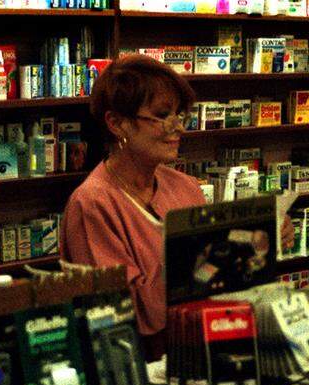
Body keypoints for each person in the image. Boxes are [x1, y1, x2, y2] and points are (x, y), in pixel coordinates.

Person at [61, 54, 205, 358]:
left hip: (201, 352)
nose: (178, 128)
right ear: (117, 123)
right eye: (163, 115)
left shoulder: (185, 187)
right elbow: (122, 313)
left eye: (180, 115)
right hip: (136, 368)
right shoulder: (91, 205)